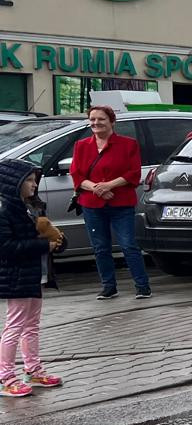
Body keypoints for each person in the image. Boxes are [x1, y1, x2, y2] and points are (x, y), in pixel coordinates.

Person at [69, 104, 152, 300]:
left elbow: (133, 174)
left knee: (128, 245)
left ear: (112, 121)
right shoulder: (81, 146)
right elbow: (76, 175)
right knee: (100, 247)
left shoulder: (128, 144)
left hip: (121, 203)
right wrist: (97, 189)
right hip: (91, 204)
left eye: (101, 119)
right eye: (92, 119)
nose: (96, 123)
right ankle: (108, 287)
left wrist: (109, 186)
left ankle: (142, 286)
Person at [0, 162, 64, 397]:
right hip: (17, 276)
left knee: (31, 325)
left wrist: (57, 242)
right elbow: (6, 247)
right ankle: (6, 377)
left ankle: (33, 369)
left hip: (35, 274)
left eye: (34, 179)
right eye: (29, 180)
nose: (34, 184)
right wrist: (43, 245)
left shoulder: (31, 207)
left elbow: (46, 232)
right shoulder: (6, 211)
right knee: (15, 326)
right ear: (14, 183)